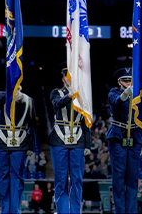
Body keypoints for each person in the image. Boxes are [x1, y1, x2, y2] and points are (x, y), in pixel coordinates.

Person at [49, 66, 91, 214]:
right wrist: (69, 96)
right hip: (59, 139)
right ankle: (62, 211)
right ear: (63, 79)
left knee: (77, 179)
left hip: (78, 139)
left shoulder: (84, 95)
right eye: (68, 76)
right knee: (60, 180)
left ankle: (75, 211)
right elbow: (56, 104)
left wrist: (88, 144)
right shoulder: (56, 92)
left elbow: (86, 121)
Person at [107, 68, 142, 214]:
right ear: (119, 82)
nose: (128, 82)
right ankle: (120, 211)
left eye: (130, 80)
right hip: (118, 136)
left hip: (135, 136)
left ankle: (131, 211)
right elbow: (116, 102)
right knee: (118, 178)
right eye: (125, 80)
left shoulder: (139, 94)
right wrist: (126, 93)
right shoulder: (114, 92)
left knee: (132, 178)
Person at [0, 86, 36, 214]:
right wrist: (10, 94)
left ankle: (15, 210)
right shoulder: (0, 95)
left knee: (17, 178)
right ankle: (5, 210)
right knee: (2, 178)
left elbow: (32, 123)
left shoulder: (28, 100)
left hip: (20, 142)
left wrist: (31, 145)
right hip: (1, 141)